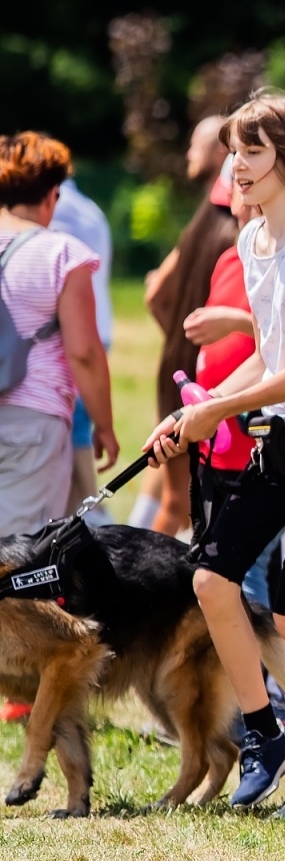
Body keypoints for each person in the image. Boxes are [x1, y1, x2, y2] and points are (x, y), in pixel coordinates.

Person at [144, 92, 285, 821]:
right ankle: (265, 736)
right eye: (234, 151)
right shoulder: (252, 242)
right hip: (284, 440)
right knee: (211, 578)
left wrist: (216, 409)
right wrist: (195, 409)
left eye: (253, 151)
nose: (236, 165)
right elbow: (271, 356)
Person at [0, 133, 116, 726]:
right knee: (22, 560)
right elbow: (85, 351)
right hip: (34, 418)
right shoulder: (60, 252)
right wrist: (104, 423)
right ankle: (24, 693)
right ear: (52, 195)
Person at [141, 115, 237, 536]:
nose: (188, 154)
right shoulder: (240, 234)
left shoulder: (200, 223)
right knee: (190, 502)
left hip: (177, 368)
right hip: (213, 380)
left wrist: (180, 342)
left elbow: (154, 294)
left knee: (175, 498)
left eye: (195, 145)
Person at [50, 177, 114, 525]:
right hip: (97, 327)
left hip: (73, 333)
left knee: (73, 429)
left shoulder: (59, 210)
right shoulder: (90, 209)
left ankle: (95, 515)